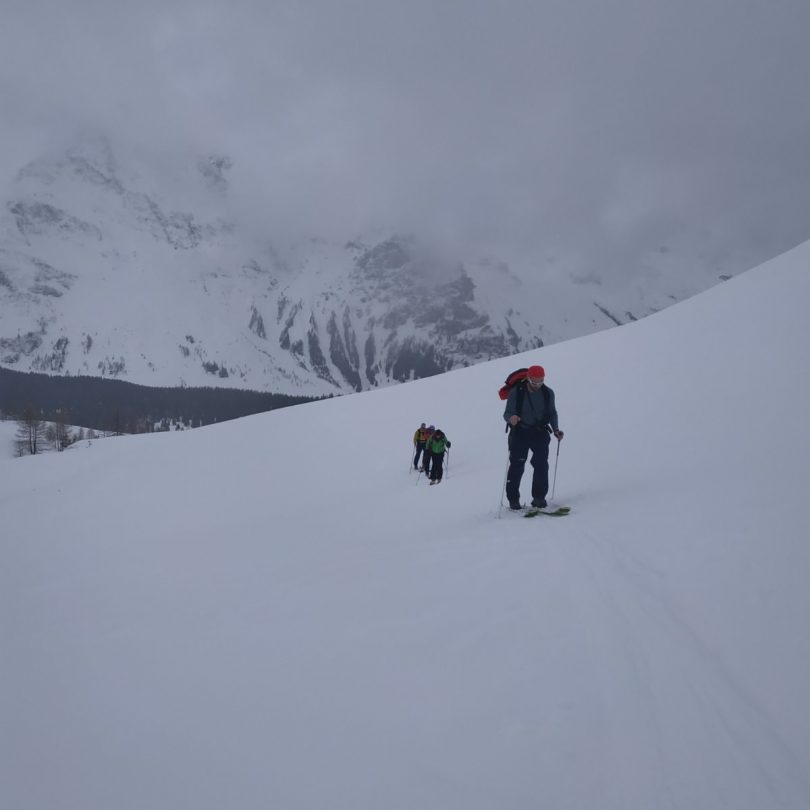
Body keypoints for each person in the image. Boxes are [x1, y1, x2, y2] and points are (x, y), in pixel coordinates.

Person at [503, 365, 564, 509]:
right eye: (534, 382)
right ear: (528, 378)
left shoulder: (548, 393)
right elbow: (507, 413)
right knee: (517, 465)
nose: (537, 385)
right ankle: (513, 500)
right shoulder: (516, 392)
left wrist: (556, 429)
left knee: (541, 464)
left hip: (540, 432)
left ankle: (539, 498)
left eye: (540, 381)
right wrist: (511, 418)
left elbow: (552, 413)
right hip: (520, 432)